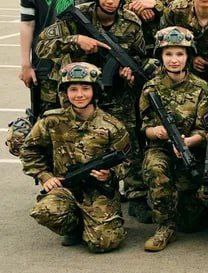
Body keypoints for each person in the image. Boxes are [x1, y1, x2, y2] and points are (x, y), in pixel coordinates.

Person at [34, 0, 148, 221]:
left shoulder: (131, 22)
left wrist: (130, 71)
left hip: (117, 93)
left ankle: (136, 192)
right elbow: (42, 46)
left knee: (128, 139)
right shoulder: (77, 17)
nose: (110, 0)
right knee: (73, 141)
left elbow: (141, 56)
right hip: (79, 93)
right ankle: (69, 191)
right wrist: (74, 40)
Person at [22, 62, 130, 253]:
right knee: (44, 210)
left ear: (95, 90)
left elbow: (127, 161)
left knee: (104, 242)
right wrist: (45, 176)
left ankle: (94, 222)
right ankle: (73, 226)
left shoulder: (112, 125)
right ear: (65, 92)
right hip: (66, 186)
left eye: (85, 88)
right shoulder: (52, 121)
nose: (79, 95)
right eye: (73, 89)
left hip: (98, 191)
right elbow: (29, 150)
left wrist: (110, 174)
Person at [139, 27, 208, 252]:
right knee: (155, 167)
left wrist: (188, 142)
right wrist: (157, 132)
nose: (174, 59)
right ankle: (165, 225)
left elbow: (205, 131)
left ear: (188, 56)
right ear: (160, 56)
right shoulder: (151, 88)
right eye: (168, 54)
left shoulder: (202, 88)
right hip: (161, 148)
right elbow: (144, 128)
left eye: (180, 54)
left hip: (191, 151)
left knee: (191, 224)